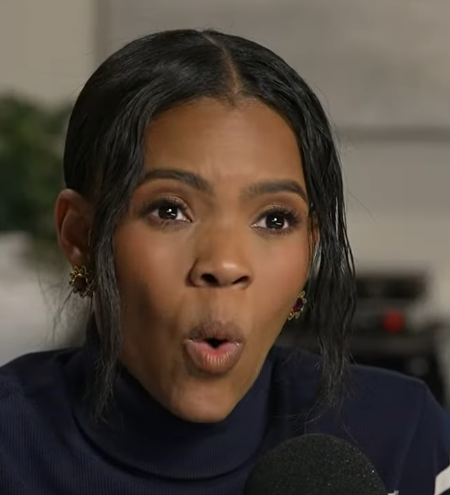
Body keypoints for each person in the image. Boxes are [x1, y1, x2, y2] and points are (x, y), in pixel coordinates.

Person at [0, 29, 448, 495]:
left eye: (275, 219)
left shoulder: (400, 434)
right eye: (169, 211)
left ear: (310, 246)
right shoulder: (11, 449)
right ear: (80, 235)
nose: (226, 265)